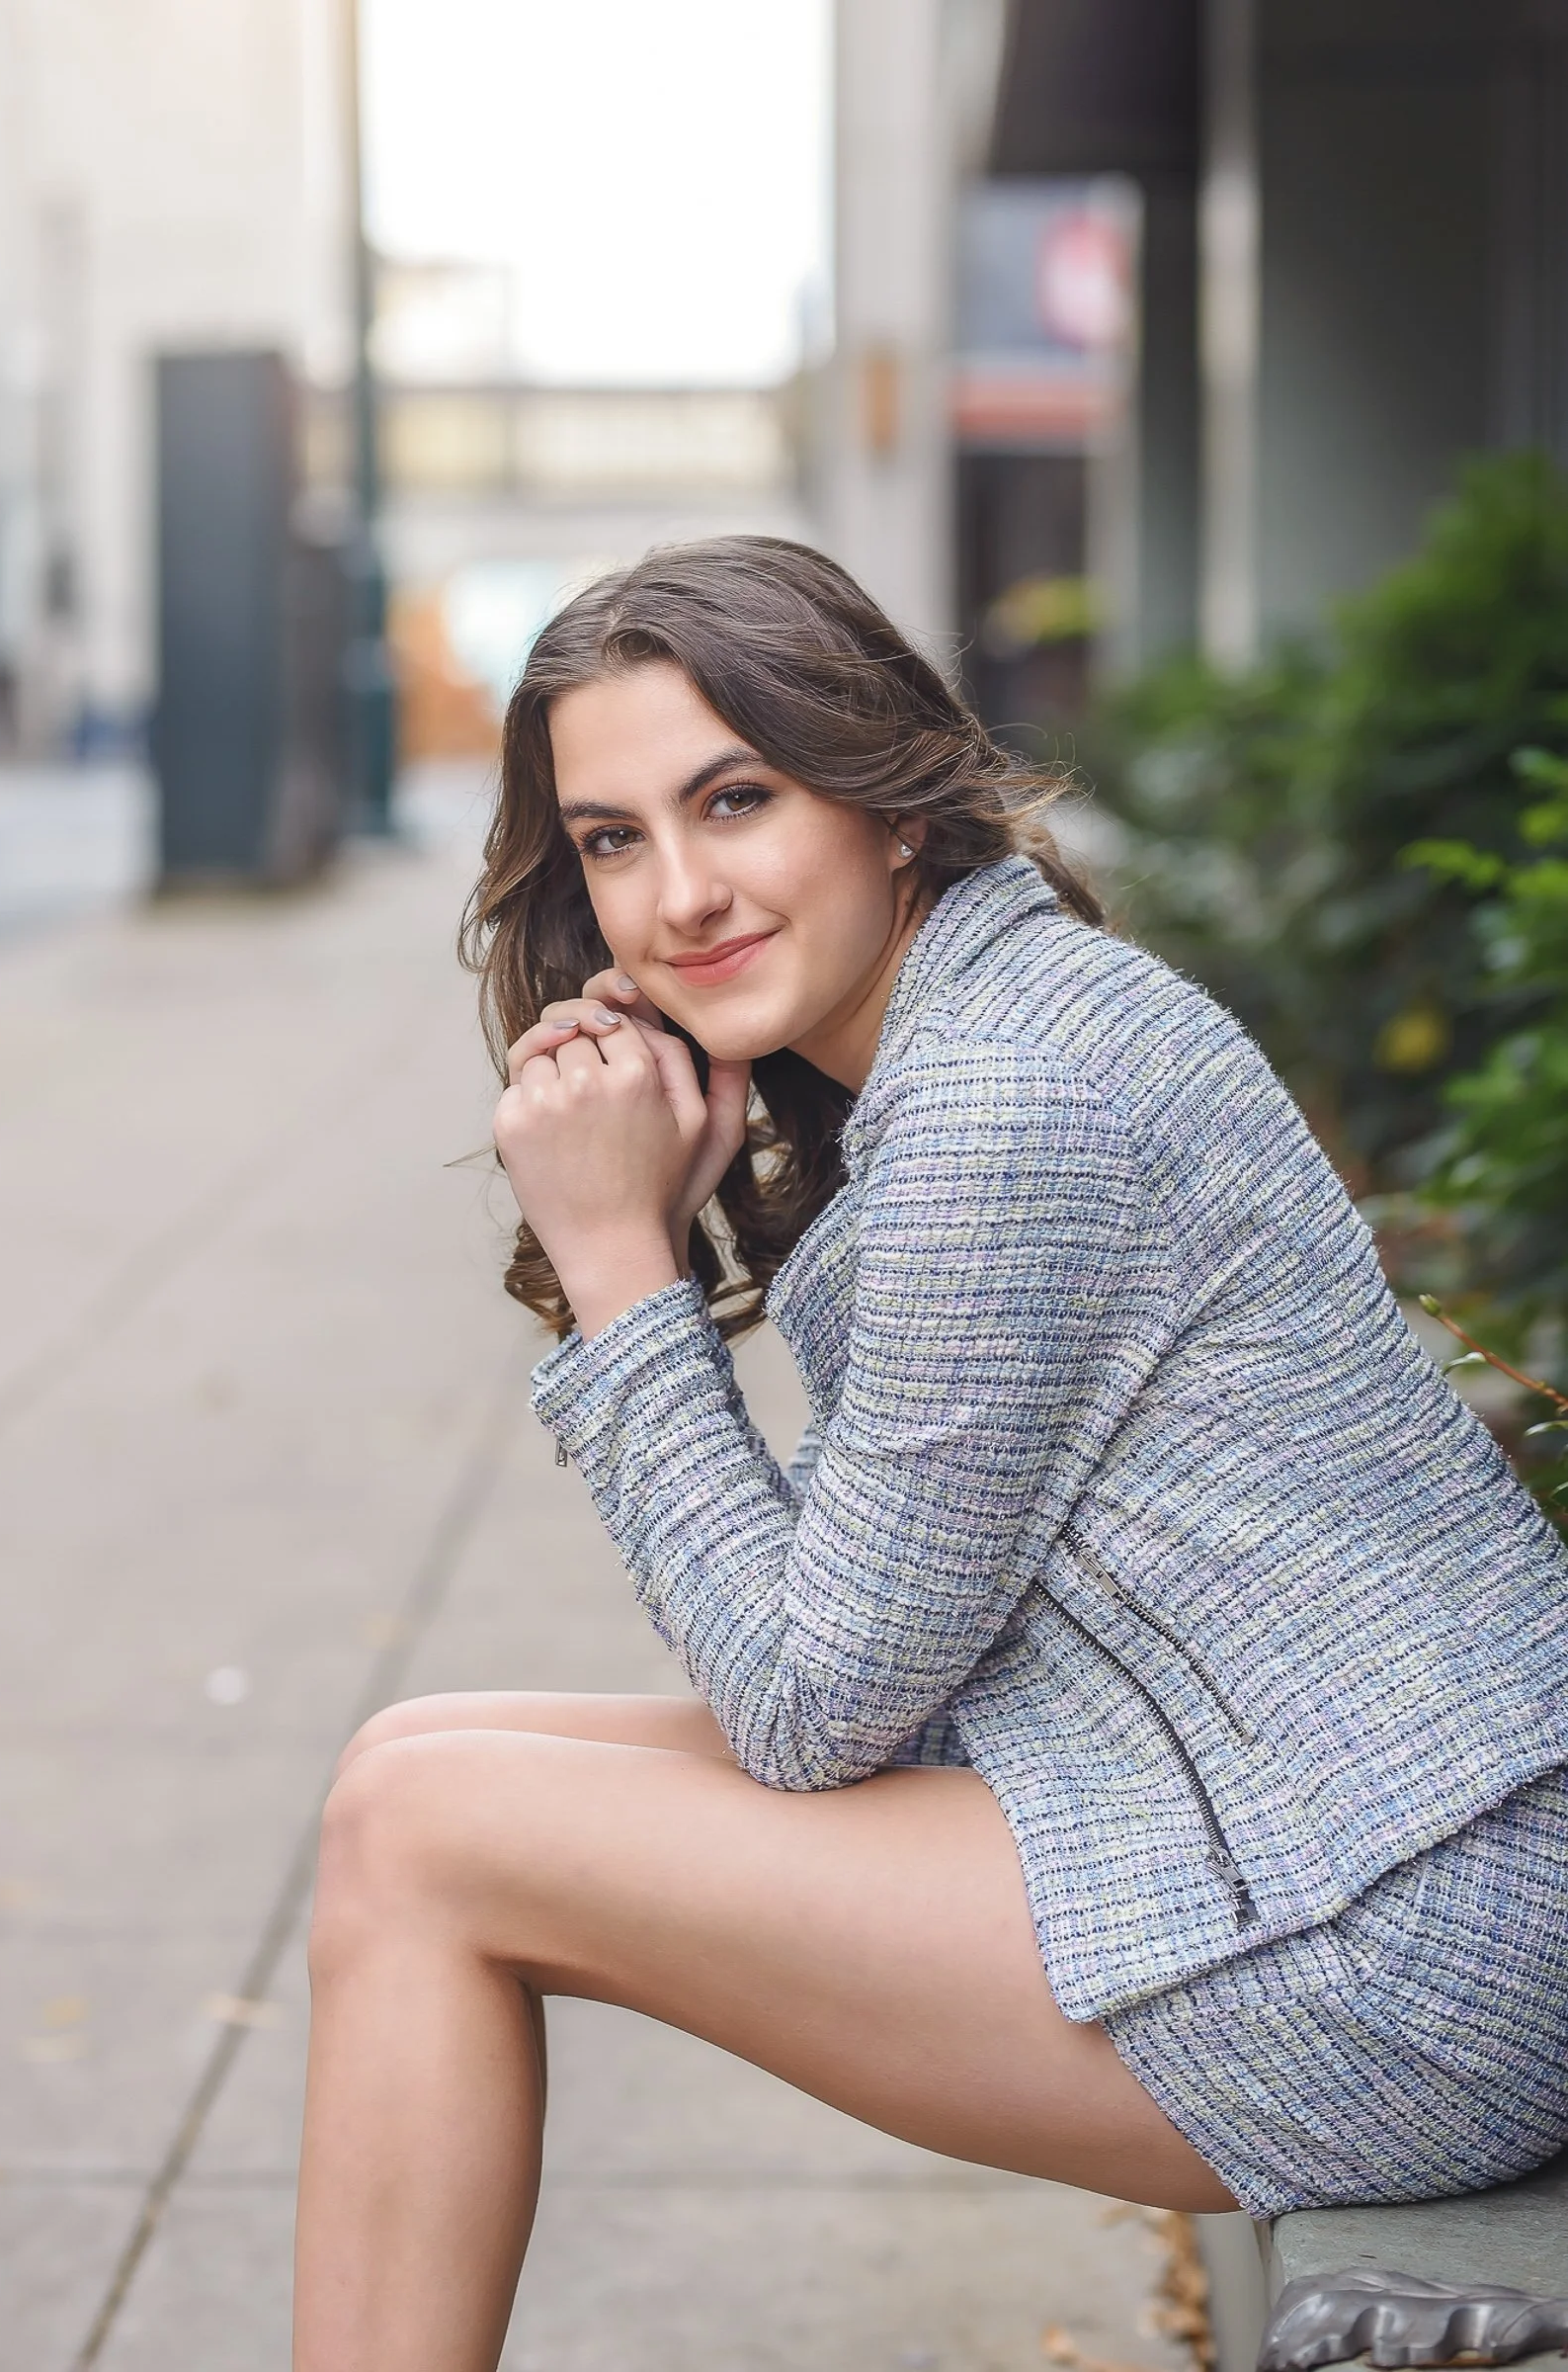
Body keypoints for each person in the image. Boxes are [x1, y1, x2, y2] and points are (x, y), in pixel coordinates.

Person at [291, 537, 1568, 2372]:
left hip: (1396, 1946)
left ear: (888, 802)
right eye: (613, 839)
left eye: (735, 799)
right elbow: (868, 1631)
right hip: (1339, 1839)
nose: (678, 897)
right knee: (403, 1765)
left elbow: (811, 1707)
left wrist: (618, 1262)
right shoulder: (991, 1017)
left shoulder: (1000, 1104)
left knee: (426, 1840)